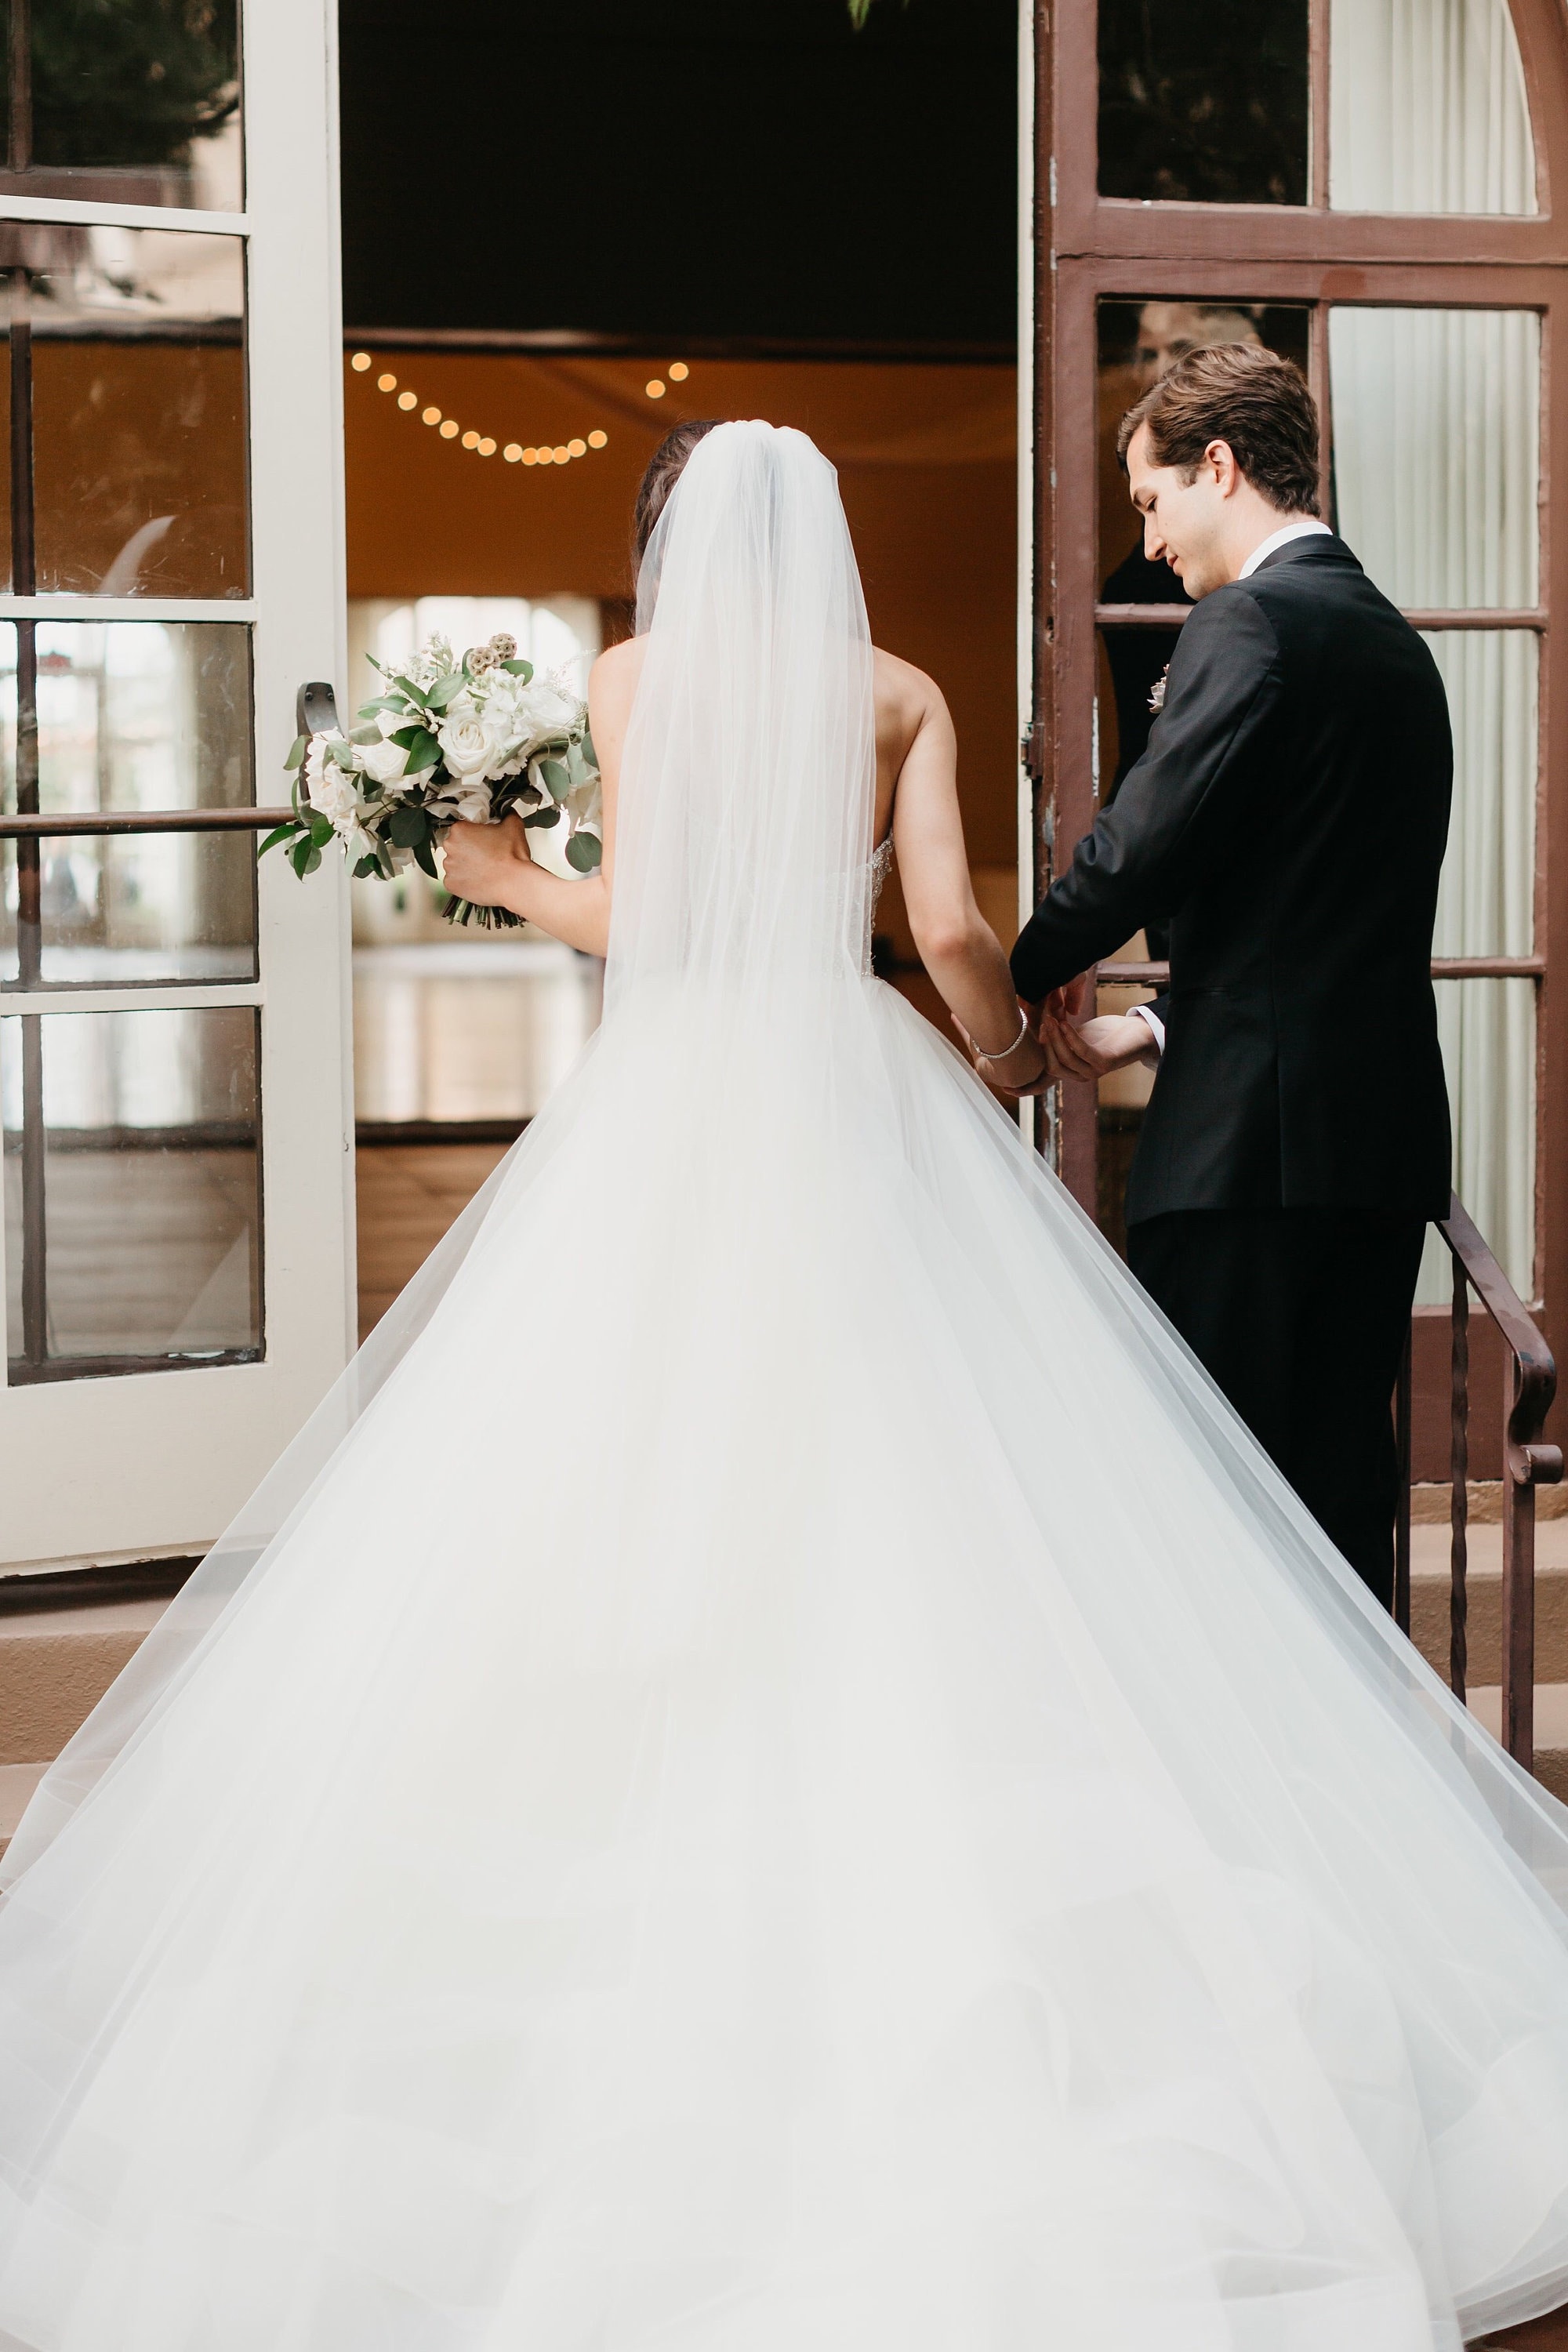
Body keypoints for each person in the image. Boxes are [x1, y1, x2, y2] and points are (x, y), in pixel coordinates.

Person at [2, 419, 1567, 2352]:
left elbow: (652, 916)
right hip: (845, 1085)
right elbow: (952, 936)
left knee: (607, 1471)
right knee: (921, 1485)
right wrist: (1014, 1053)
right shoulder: (897, 693)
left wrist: (495, 873)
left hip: (673, 1105)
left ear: (676, 546)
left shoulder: (632, 679)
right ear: (820, 540)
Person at [1011, 344, 1453, 1610]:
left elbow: (1148, 835)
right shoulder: (1395, 645)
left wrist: (1027, 968)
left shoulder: (1251, 621)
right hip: (1372, 1150)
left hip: (1248, 1163)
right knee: (1336, 1504)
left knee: (1213, 1509)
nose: (1150, 543)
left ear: (1219, 466)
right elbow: (1315, 911)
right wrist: (1153, 1026)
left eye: (1152, 501)